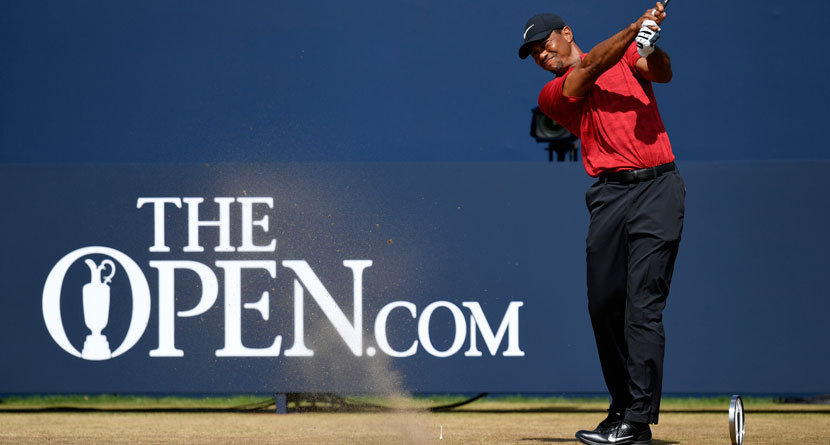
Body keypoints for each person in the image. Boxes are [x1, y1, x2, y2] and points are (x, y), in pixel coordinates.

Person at [518, 3, 684, 445]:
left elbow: (662, 72)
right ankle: (621, 406)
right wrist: (634, 28)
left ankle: (637, 420)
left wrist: (651, 43)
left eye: (544, 44)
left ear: (566, 33)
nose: (541, 55)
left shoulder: (629, 55)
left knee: (642, 306)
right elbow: (591, 66)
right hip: (610, 195)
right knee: (604, 305)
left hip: (658, 189)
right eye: (533, 53)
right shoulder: (554, 93)